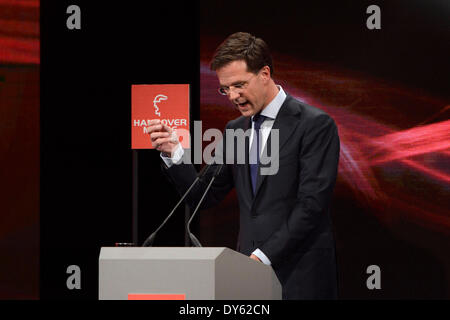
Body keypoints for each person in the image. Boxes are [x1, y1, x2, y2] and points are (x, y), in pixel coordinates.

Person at [147, 32, 340, 299]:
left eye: (240, 85)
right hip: (248, 277)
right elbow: (204, 196)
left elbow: (311, 205)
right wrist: (174, 153)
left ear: (264, 74)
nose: (233, 96)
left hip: (300, 276)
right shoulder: (236, 130)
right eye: (225, 89)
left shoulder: (315, 125)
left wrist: (262, 256)